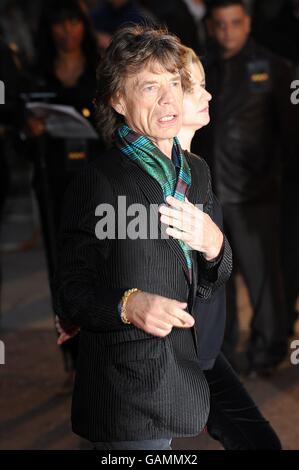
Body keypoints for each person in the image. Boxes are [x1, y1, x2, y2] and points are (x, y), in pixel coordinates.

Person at [54, 24, 233, 450]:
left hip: (180, 377)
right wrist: (128, 304)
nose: (169, 99)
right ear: (118, 100)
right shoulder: (98, 181)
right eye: (150, 87)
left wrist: (216, 247)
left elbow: (209, 281)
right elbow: (72, 294)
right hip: (125, 391)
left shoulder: (195, 171)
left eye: (175, 83)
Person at [178, 46, 281, 450]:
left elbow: (211, 273)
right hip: (183, 355)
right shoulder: (170, 179)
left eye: (204, 85)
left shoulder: (194, 168)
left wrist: (216, 249)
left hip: (203, 351)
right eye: (195, 88)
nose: (208, 96)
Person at [195, 0, 298, 375]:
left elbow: (291, 137)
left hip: (257, 194)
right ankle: (222, 354)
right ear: (210, 26)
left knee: (263, 279)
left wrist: (274, 181)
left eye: (235, 23)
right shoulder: (199, 69)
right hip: (209, 194)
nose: (227, 31)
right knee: (215, 278)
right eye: (220, 24)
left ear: (248, 24)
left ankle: (268, 350)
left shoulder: (273, 68)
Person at [25, 0, 101, 375]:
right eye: (59, 23)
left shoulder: (100, 66)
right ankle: (72, 355)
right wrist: (32, 130)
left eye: (73, 22)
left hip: (95, 179)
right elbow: (20, 127)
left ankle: (97, 347)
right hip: (54, 180)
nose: (66, 30)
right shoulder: (38, 72)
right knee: (61, 261)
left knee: (99, 259)